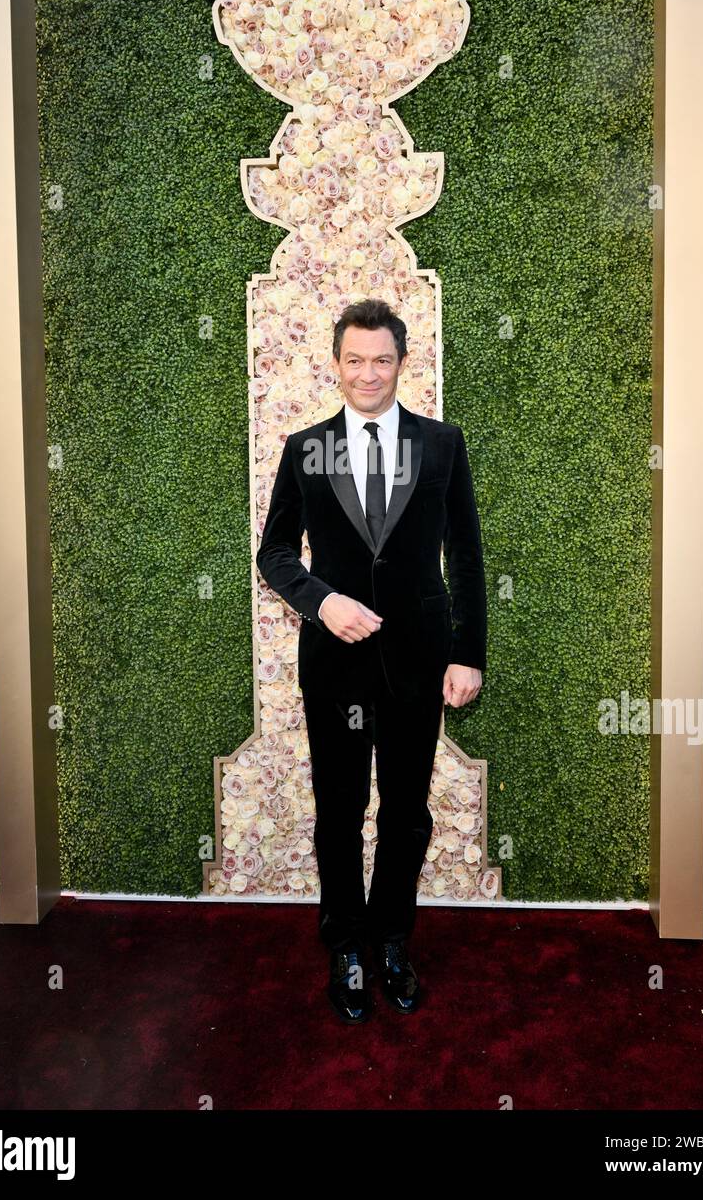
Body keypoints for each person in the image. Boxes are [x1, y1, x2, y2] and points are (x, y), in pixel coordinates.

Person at [256, 298, 487, 1021]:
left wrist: (468, 653)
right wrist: (321, 600)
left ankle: (392, 940)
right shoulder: (306, 446)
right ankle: (347, 946)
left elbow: (467, 556)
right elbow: (274, 553)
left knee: (407, 812)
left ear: (400, 362)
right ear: (335, 364)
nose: (367, 373)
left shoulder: (442, 444)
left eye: (380, 359)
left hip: (421, 663)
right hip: (336, 666)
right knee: (340, 811)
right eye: (353, 359)